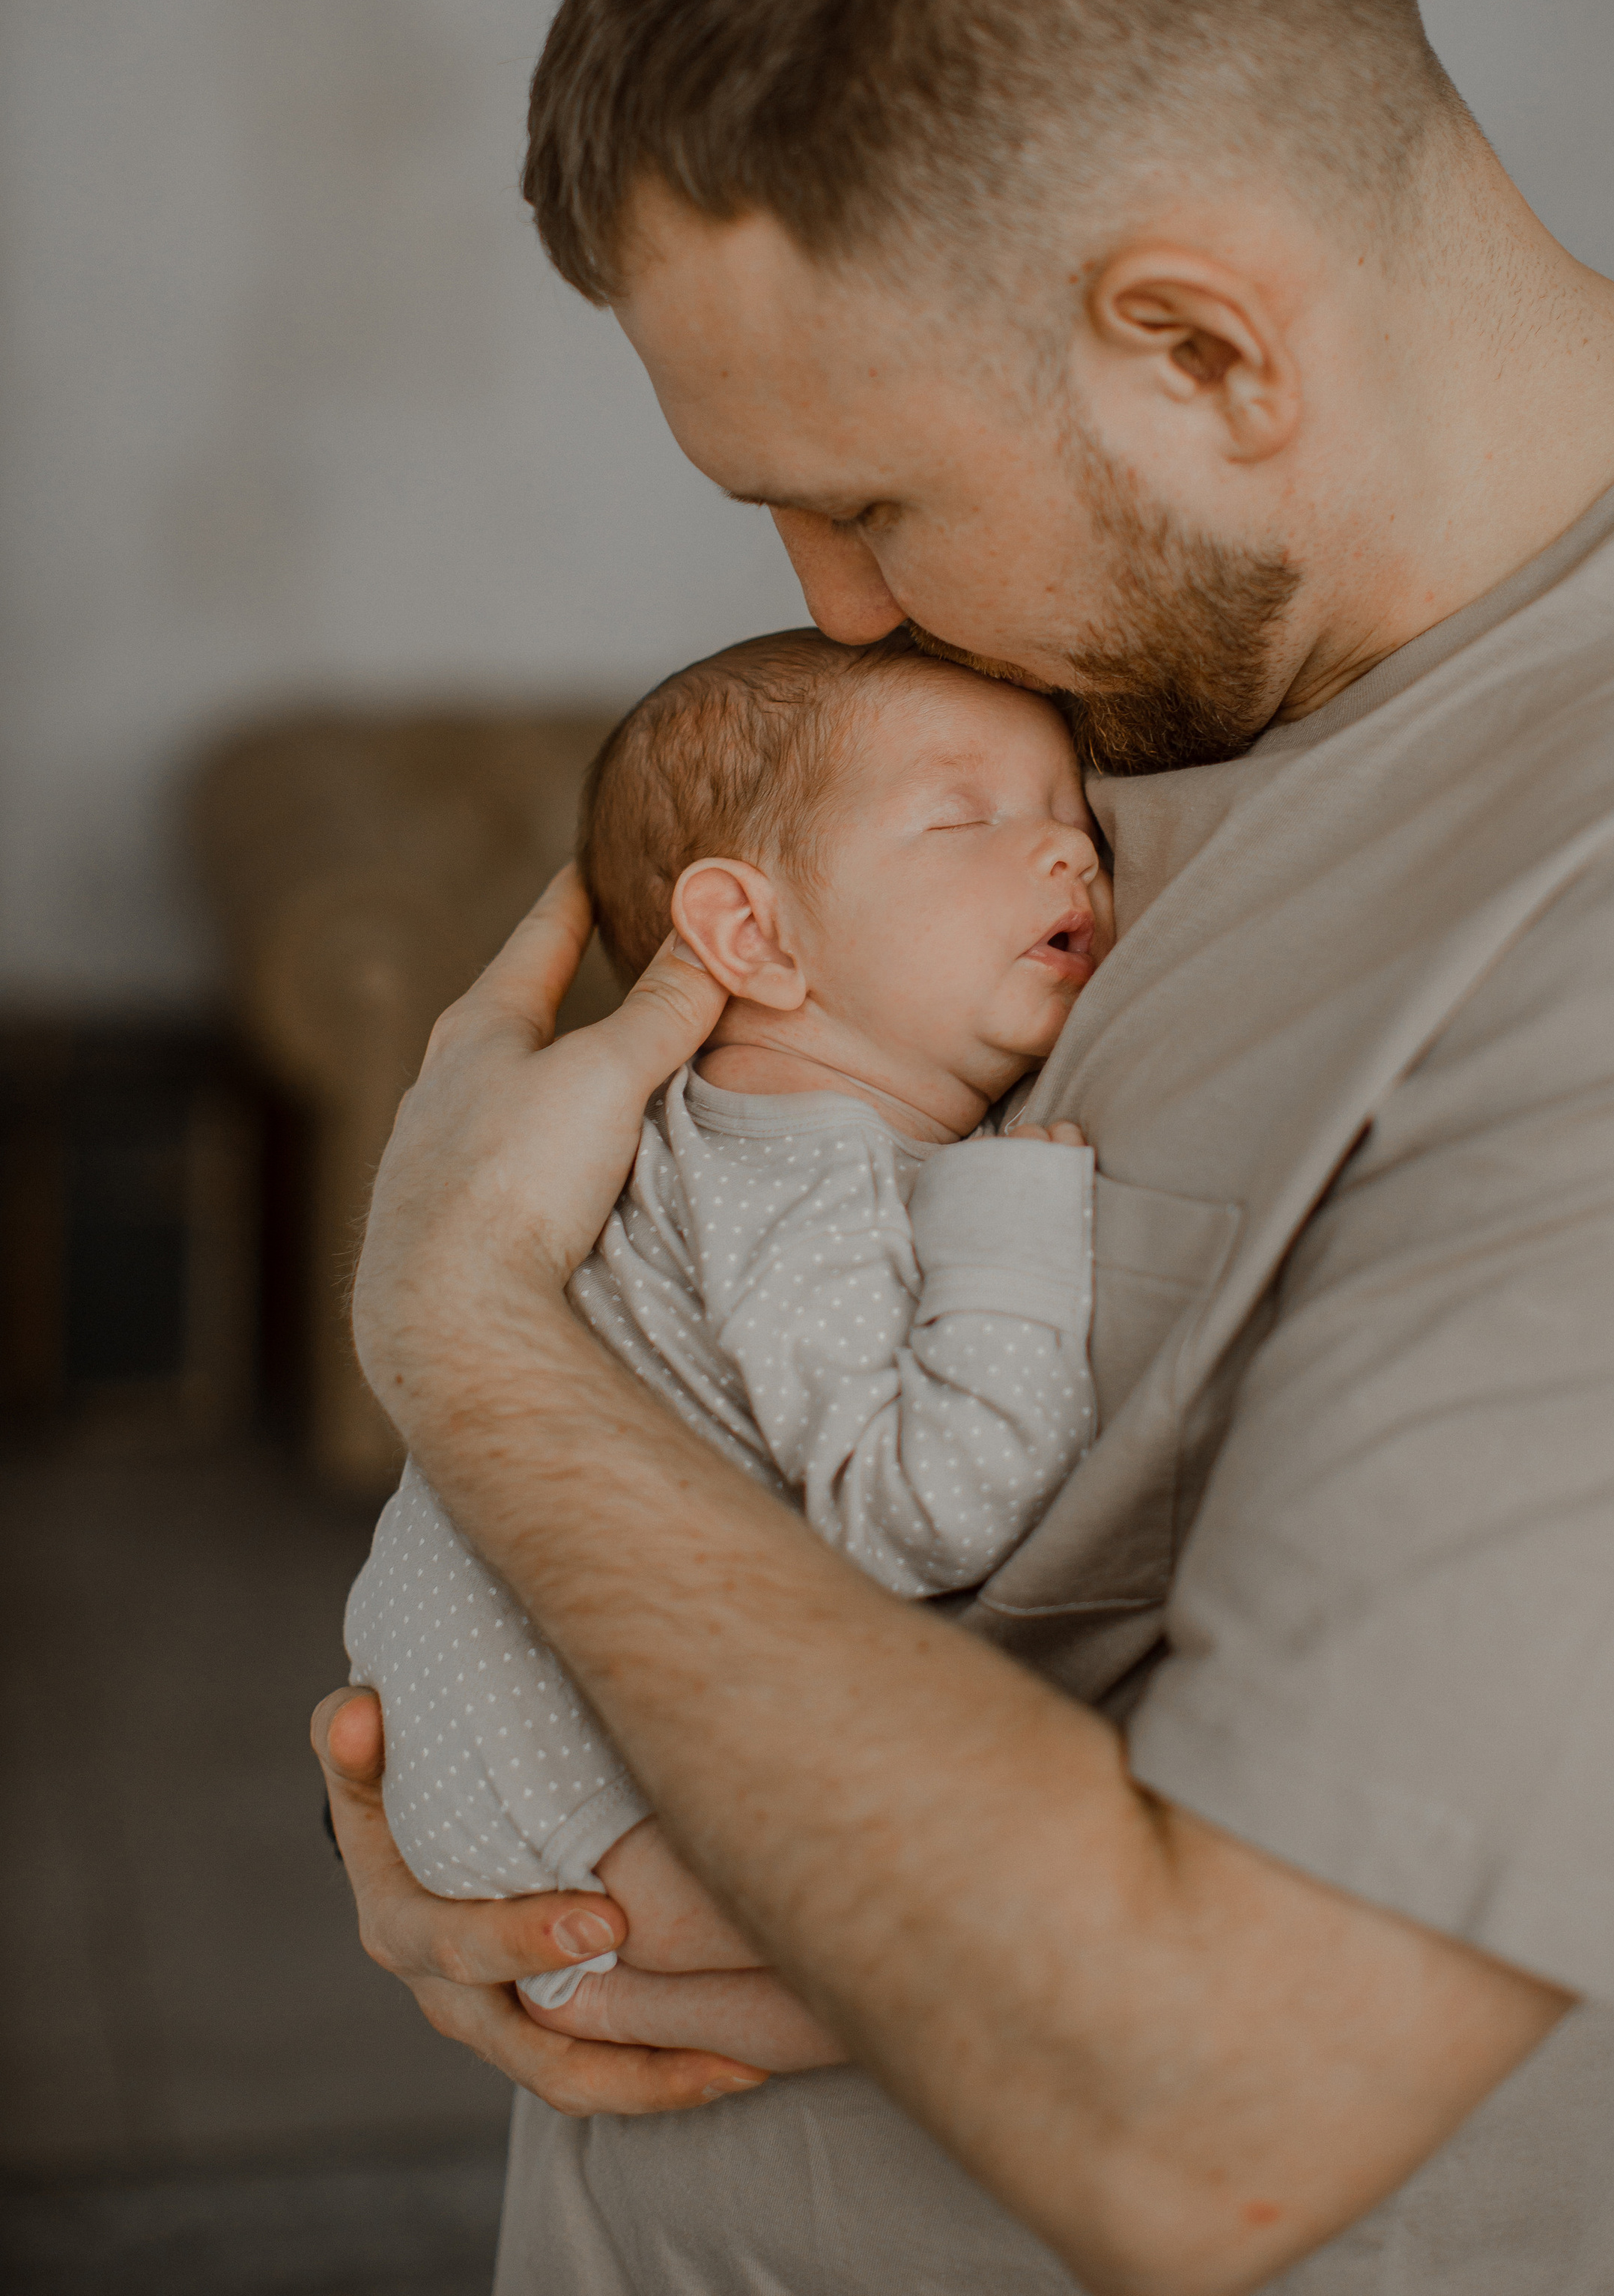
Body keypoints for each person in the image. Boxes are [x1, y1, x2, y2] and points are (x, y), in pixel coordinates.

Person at [315, 0, 1614, 2295]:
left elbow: (1216, 2114)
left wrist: (457, 1339)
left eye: (868, 504)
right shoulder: (1131, 643)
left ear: (1201, 346)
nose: (827, 619)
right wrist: (495, 1820)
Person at [342, 629, 1108, 2063]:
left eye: (1077, 816)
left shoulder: (760, 1143)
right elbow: (923, 1511)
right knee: (1017, 1985)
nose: (1068, 857)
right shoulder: (795, 1175)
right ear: (755, 938)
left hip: (493, 1742)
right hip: (570, 1765)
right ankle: (606, 1985)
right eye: (969, 819)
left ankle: (605, 1995)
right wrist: (1014, 1222)